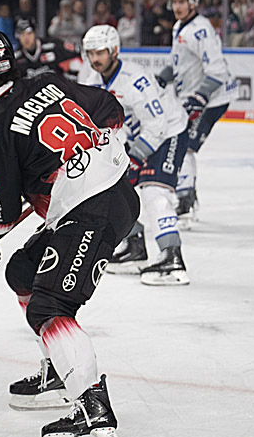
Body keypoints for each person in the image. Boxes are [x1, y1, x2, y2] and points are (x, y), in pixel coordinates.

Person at [0, 28, 138, 437]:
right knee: (22, 272)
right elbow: (111, 110)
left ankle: (94, 416)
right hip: (116, 193)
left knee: (49, 307)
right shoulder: (45, 81)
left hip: (90, 210)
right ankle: (61, 369)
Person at [81, 24, 191, 285]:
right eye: (90, 53)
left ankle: (172, 257)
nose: (95, 59)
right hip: (138, 136)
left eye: (100, 53)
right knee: (111, 191)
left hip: (169, 132)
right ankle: (135, 248)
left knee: (154, 192)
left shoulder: (134, 80)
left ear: (114, 51)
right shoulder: (93, 81)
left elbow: (157, 124)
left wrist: (133, 158)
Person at [157, 0, 238, 224]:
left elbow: (217, 70)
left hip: (213, 98)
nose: (177, 7)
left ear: (193, 3)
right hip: (195, 96)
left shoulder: (201, 30)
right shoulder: (179, 27)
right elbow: (179, 61)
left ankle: (186, 199)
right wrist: (161, 79)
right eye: (174, 2)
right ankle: (186, 196)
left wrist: (200, 96)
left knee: (186, 144)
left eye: (182, 2)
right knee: (183, 141)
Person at [13, 17, 82, 81]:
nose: (26, 38)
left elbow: (78, 51)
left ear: (35, 33)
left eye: (29, 33)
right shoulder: (16, 57)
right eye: (22, 34)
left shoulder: (53, 45)